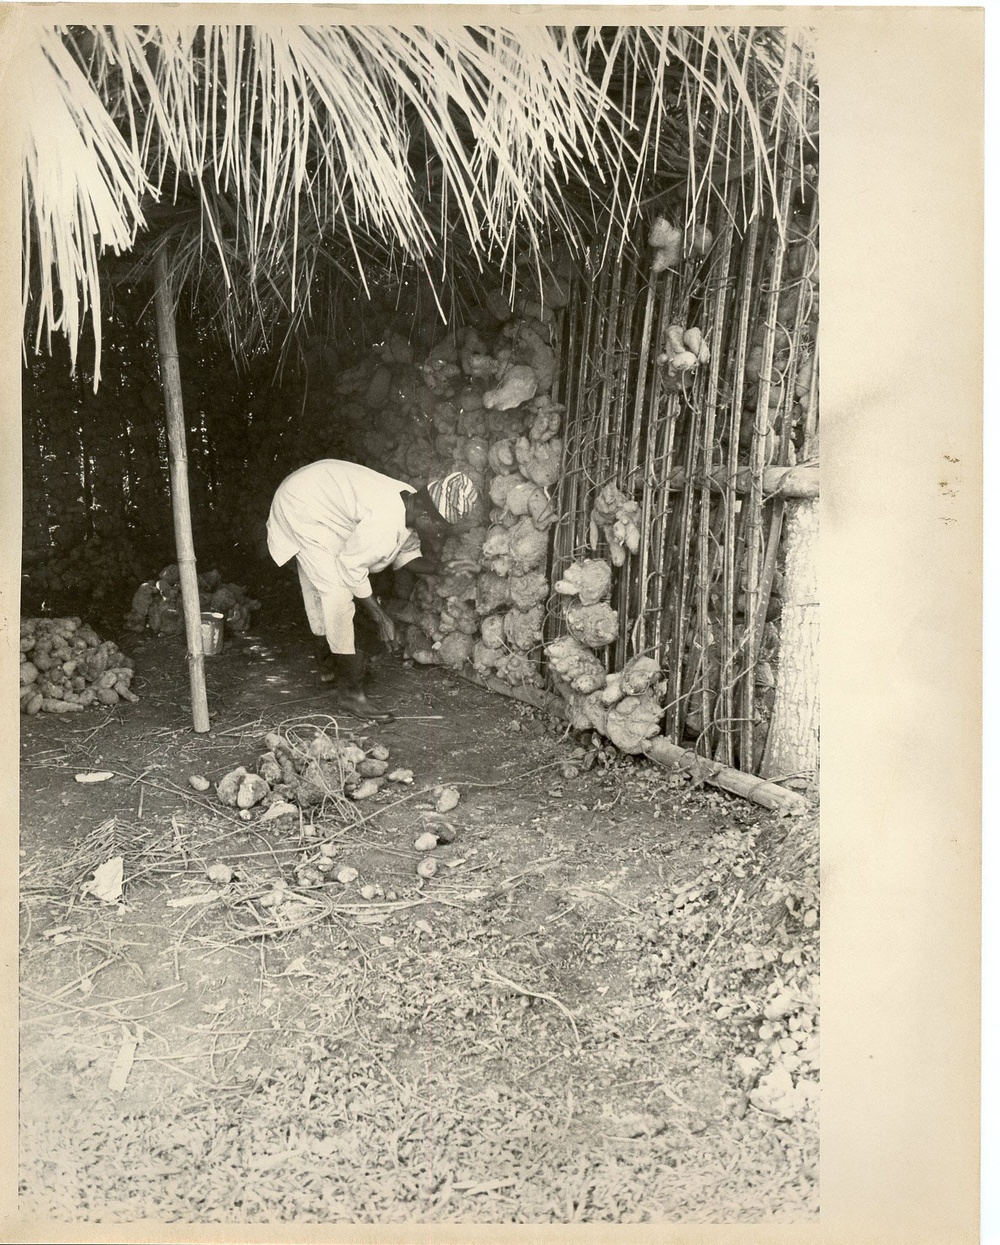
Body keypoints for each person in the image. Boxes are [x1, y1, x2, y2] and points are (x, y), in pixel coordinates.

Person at [267, 459, 480, 721]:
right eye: (439, 528)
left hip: (315, 498)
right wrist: (380, 616)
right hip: (301, 505)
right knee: (337, 592)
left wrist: (441, 568)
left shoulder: (409, 504)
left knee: (325, 583)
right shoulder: (385, 520)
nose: (437, 535)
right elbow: (351, 567)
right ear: (425, 515)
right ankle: (350, 695)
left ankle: (329, 668)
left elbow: (406, 553)